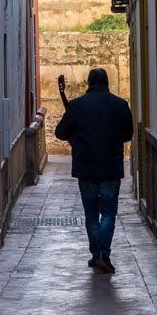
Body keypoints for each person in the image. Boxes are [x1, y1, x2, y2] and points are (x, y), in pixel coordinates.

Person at [54, 68, 133, 274]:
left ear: (89, 83)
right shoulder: (120, 105)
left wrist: (77, 135)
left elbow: (60, 132)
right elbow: (127, 134)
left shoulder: (77, 106)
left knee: (91, 214)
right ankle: (103, 254)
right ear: (107, 83)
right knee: (108, 212)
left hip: (86, 169)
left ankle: (96, 253)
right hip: (111, 168)